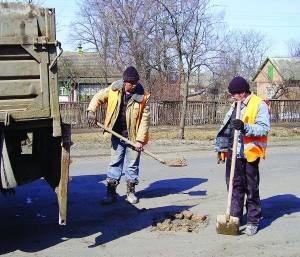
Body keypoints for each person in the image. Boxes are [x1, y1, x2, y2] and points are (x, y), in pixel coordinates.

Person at [86, 66, 151, 205]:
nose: (133, 85)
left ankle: (131, 192)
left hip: (133, 137)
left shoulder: (143, 96)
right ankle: (111, 193)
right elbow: (98, 97)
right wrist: (91, 110)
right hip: (116, 134)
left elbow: (145, 120)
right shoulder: (114, 89)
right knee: (115, 163)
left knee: (132, 165)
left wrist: (140, 140)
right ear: (124, 81)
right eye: (130, 83)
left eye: (135, 82)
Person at [215, 76, 270, 236]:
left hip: (250, 153)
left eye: (234, 94)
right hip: (233, 152)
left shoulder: (259, 105)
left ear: (242, 92)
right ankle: (235, 217)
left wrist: (245, 127)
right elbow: (226, 127)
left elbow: (264, 128)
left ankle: (253, 220)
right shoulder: (235, 105)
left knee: (251, 188)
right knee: (233, 186)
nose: (232, 97)